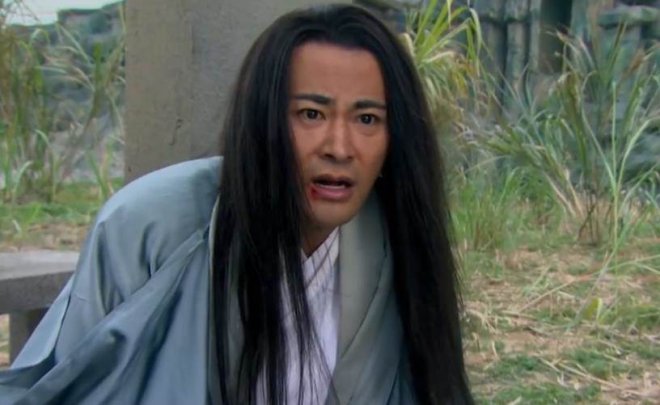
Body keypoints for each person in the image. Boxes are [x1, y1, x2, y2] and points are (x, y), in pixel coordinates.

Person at [0, 4, 473, 404]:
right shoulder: (148, 227)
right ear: (263, 120)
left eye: (367, 118)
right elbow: (64, 386)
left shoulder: (393, 247)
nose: (339, 147)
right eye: (311, 114)